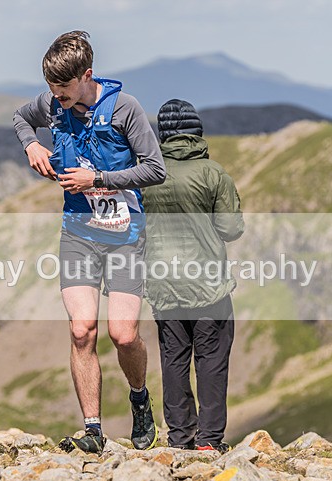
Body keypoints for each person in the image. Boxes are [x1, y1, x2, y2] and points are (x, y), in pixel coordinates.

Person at [13, 30, 166, 454]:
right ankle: (93, 429)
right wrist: (32, 145)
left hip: (124, 235)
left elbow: (155, 170)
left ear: (87, 75)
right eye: (51, 87)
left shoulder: (125, 109)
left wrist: (97, 178)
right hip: (78, 233)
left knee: (123, 335)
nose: (56, 96)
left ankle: (139, 398)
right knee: (82, 330)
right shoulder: (51, 104)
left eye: (64, 86)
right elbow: (20, 118)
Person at [142, 99, 244, 452]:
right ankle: (209, 440)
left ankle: (180, 437)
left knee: (174, 360)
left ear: (161, 135)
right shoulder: (213, 174)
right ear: (197, 131)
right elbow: (231, 229)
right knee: (211, 360)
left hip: (163, 284)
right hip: (208, 286)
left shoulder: (147, 175)